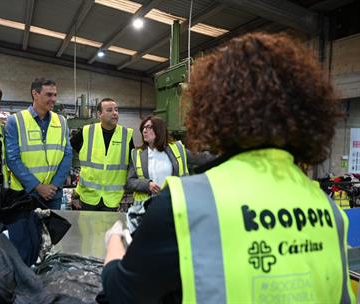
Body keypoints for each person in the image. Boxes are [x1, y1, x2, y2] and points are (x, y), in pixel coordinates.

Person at [101, 32, 355, 303]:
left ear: (215, 109)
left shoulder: (186, 204)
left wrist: (116, 242)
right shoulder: (329, 209)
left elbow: (121, 293)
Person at [5, 77, 72, 209]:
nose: (53, 99)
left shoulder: (61, 121)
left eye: (55, 95)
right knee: (24, 230)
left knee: (52, 229)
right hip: (24, 193)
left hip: (53, 194)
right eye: (48, 95)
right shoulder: (15, 121)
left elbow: (67, 155)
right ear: (35, 94)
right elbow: (12, 159)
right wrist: (37, 186)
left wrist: (54, 185)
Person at [125, 115, 188, 232]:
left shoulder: (177, 149)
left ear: (159, 129)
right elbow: (130, 182)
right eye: (143, 128)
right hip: (145, 209)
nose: (144, 130)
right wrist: (147, 185)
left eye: (149, 127)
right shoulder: (137, 154)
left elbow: (201, 158)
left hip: (172, 207)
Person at [71, 98, 134, 211]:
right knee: (86, 228)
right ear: (99, 114)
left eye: (116, 110)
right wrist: (83, 151)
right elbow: (71, 145)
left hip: (112, 198)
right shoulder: (87, 131)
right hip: (88, 196)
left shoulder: (126, 135)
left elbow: (133, 163)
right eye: (109, 110)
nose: (114, 113)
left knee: (108, 229)